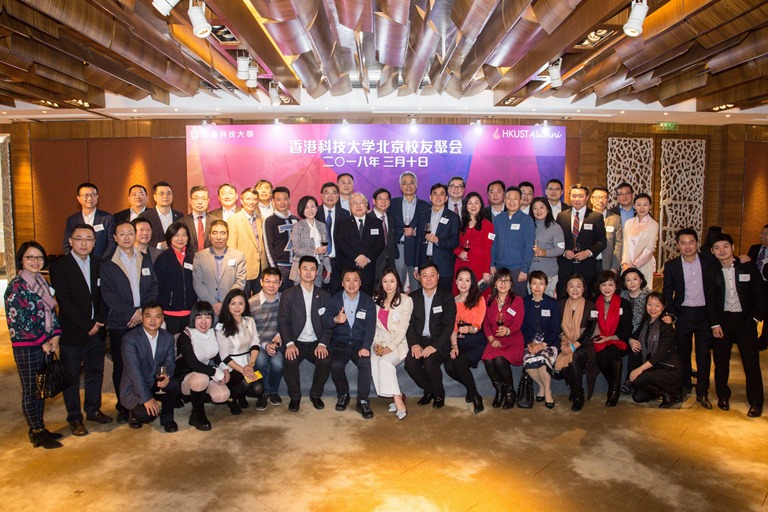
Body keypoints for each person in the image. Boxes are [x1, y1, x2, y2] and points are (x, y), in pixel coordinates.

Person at [49, 224, 111, 437]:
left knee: (95, 373)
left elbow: (106, 295)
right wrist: (87, 325)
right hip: (73, 332)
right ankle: (75, 418)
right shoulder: (60, 266)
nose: (84, 243)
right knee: (72, 377)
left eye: (88, 239)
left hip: (98, 330)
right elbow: (64, 301)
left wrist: (99, 321)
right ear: (71, 241)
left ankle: (93, 410)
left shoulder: (100, 263)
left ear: (94, 242)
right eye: (79, 238)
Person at [5, 241, 64, 449]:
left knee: (41, 387)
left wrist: (55, 335)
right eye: (30, 257)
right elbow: (21, 320)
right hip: (28, 346)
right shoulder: (16, 286)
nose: (35, 261)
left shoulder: (41, 281)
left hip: (46, 342)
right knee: (31, 389)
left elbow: (52, 311)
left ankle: (39, 427)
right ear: (21, 260)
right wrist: (43, 342)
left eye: (39, 257)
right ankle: (37, 431)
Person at [100, 220, 158, 423]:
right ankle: (124, 406)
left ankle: (143, 401)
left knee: (144, 361)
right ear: (115, 238)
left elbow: (153, 286)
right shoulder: (108, 263)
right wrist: (130, 314)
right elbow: (108, 294)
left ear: (135, 236)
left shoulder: (144, 258)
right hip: (120, 322)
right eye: (122, 234)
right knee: (122, 364)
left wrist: (142, 312)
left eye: (130, 233)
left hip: (144, 321)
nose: (126, 237)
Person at [704, 233, 765, 418]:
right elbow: (710, 300)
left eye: (725, 246)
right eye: (717, 248)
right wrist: (714, 324)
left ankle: (756, 402)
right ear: (712, 251)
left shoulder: (747, 265)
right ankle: (723, 396)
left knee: (751, 363)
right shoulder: (711, 270)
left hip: (745, 322)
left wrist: (756, 319)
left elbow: (760, 294)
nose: (721, 251)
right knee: (721, 362)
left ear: (732, 247)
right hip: (722, 322)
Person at [663, 228, 714, 407]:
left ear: (697, 243)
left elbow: (727, 262)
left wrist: (743, 259)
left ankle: (702, 392)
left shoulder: (709, 261)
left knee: (703, 355)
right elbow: (667, 291)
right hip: (683, 314)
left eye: (691, 242)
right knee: (683, 353)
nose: (687, 247)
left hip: (705, 314)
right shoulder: (672, 265)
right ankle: (684, 386)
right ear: (677, 245)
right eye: (683, 243)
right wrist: (672, 313)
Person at [278, 256, 332, 412]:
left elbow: (329, 325)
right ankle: (295, 397)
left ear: (317, 273)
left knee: (325, 360)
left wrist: (322, 343)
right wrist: (289, 343)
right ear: (299, 271)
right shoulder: (288, 294)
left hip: (316, 341)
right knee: (290, 361)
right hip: (296, 341)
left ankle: (316, 394)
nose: (308, 272)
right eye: (305, 269)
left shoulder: (324, 295)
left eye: (312, 269)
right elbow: (283, 321)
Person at [323, 268, 377, 419]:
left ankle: (363, 400)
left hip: (359, 343)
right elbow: (325, 321)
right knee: (335, 364)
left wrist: (366, 346)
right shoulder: (335, 300)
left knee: (365, 363)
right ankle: (343, 394)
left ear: (360, 283)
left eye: (355, 280)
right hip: (340, 342)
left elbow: (371, 327)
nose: (351, 284)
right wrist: (335, 319)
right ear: (342, 283)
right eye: (347, 280)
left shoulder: (368, 301)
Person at [120, 303, 180, 432]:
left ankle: (167, 418)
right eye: (148, 316)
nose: (153, 320)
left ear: (162, 319)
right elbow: (134, 372)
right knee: (147, 415)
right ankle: (134, 412)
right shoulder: (130, 339)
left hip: (155, 382)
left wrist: (167, 375)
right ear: (141, 318)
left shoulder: (168, 338)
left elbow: (170, 363)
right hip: (135, 386)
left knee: (173, 384)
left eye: (157, 316)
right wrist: (146, 399)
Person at [405, 262, 457, 408]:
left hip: (439, 341)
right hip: (418, 340)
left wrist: (435, 346)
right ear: (418, 278)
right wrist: (414, 344)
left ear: (438, 276)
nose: (428, 279)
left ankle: (439, 394)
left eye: (432, 275)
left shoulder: (447, 297)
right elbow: (408, 324)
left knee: (430, 363)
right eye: (424, 276)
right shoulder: (412, 298)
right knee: (410, 364)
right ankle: (429, 390)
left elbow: (448, 326)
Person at [175, 301, 230, 430]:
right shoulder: (185, 336)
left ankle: (197, 398)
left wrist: (225, 369)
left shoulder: (211, 332)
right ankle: (197, 415)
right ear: (193, 318)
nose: (204, 322)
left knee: (222, 395)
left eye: (208, 317)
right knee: (201, 378)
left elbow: (215, 355)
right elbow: (194, 364)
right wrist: (216, 372)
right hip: (184, 376)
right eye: (199, 317)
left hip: (203, 372)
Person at [371, 268, 413, 420]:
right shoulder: (376, 299)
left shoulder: (406, 300)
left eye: (392, 281)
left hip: (398, 344)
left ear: (397, 282)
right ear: (381, 283)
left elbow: (403, 328)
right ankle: (397, 394)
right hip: (380, 343)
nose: (388, 285)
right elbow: (374, 326)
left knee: (385, 363)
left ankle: (397, 400)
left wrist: (390, 347)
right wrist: (376, 344)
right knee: (373, 360)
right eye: (385, 281)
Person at [629, 293, 683, 407]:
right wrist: (631, 340)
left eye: (657, 305)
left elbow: (659, 355)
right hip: (654, 367)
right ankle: (664, 391)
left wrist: (639, 369)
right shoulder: (646, 322)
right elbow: (634, 335)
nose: (652, 308)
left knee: (637, 378)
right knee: (638, 397)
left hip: (668, 368)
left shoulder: (666, 326)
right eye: (649, 304)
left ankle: (669, 393)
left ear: (663, 307)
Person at [445, 268, 487, 413]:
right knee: (449, 366)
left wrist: (469, 329)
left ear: (472, 283)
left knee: (460, 361)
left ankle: (475, 396)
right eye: (460, 280)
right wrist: (454, 346)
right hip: (459, 341)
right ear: (456, 282)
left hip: (475, 340)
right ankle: (470, 388)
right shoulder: (452, 302)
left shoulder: (478, 299)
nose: (463, 283)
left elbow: (477, 325)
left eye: (467, 280)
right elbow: (452, 328)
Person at [216, 289, 264, 414]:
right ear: (227, 305)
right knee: (245, 382)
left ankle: (241, 394)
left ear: (245, 305)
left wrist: (251, 365)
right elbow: (224, 356)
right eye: (233, 303)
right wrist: (243, 370)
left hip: (247, 363)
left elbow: (255, 343)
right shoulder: (221, 327)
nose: (237, 307)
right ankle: (232, 398)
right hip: (231, 366)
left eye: (241, 303)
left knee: (258, 388)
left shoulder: (249, 321)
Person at [482, 268, 525, 409]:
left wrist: (507, 331)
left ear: (511, 284)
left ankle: (510, 392)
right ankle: (499, 390)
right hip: (495, 339)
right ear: (495, 283)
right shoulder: (488, 300)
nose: (503, 284)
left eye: (507, 281)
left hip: (513, 340)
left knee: (499, 360)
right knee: (488, 360)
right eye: (500, 280)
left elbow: (518, 324)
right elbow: (486, 324)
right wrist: (491, 339)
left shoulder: (517, 301)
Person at [591, 271, 633, 407]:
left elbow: (627, 329)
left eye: (610, 284)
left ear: (616, 286)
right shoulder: (593, 303)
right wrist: (600, 337)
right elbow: (590, 325)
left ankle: (614, 391)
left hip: (618, 339)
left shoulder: (624, 304)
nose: (607, 288)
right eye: (604, 285)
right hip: (599, 339)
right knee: (602, 356)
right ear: (599, 286)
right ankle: (613, 385)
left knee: (613, 351)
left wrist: (609, 338)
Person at [556, 184, 606, 297]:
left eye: (580, 196)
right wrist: (564, 252)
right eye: (574, 196)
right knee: (563, 299)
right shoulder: (561, 216)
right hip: (566, 267)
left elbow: (602, 242)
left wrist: (588, 252)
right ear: (569, 197)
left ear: (587, 197)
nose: (577, 199)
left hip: (586, 267)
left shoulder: (596, 217)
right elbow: (557, 240)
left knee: (587, 299)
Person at [557, 274, 597, 411]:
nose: (575, 289)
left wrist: (573, 347)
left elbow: (589, 332)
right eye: (571, 286)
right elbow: (556, 327)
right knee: (559, 357)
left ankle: (578, 394)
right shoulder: (560, 304)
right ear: (566, 289)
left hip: (584, 344)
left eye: (578, 286)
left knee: (572, 357)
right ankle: (575, 388)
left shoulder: (591, 306)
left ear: (583, 289)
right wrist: (564, 340)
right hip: (564, 341)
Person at [193, 220, 247, 318]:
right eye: (215, 233)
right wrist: (213, 304)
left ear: (228, 236)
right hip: (206, 309)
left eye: (222, 233)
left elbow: (240, 282)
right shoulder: (199, 256)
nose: (218, 237)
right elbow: (198, 283)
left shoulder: (238, 256)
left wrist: (224, 302)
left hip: (230, 308)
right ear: (209, 236)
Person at [522, 271, 560, 408]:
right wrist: (530, 343)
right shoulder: (524, 303)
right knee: (529, 365)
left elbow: (555, 329)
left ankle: (547, 391)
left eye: (541, 284)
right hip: (531, 342)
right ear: (529, 285)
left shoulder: (552, 303)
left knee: (542, 361)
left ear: (546, 286)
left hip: (549, 342)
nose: (537, 287)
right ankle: (542, 386)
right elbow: (523, 327)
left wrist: (543, 345)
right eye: (534, 283)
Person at [336, 192, 385, 295]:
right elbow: (340, 243)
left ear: (366, 205)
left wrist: (367, 259)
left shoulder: (376, 222)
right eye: (355, 203)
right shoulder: (342, 223)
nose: (358, 206)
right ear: (350, 206)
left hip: (368, 268)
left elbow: (379, 244)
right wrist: (356, 257)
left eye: (361, 202)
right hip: (349, 267)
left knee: (367, 297)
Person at [249, 267, 284, 409]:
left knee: (278, 364)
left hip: (279, 342)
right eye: (268, 281)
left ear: (280, 283)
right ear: (261, 282)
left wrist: (278, 338)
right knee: (260, 361)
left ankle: (274, 391)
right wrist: (264, 345)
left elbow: (289, 323)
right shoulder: (251, 303)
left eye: (275, 282)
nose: (271, 285)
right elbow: (250, 332)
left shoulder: (285, 300)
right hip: (259, 343)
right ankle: (263, 393)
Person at [415, 183, 460, 293]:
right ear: (430, 197)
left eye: (441, 194)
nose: (438, 197)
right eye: (435, 194)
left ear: (446, 198)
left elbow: (455, 242)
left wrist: (438, 240)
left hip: (443, 265)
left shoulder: (453, 217)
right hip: (424, 262)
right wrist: (416, 266)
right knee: (425, 295)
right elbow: (418, 242)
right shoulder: (423, 215)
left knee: (443, 296)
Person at [491, 186, 534, 297]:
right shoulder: (498, 218)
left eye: (515, 198)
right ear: (504, 200)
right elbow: (493, 243)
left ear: (521, 201)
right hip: (499, 267)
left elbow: (529, 247)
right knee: (499, 298)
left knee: (517, 300)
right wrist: (492, 264)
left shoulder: (527, 220)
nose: (511, 201)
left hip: (517, 269)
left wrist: (524, 269)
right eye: (509, 198)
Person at [154, 222, 197, 334]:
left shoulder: (192, 258)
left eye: (184, 235)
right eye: (176, 235)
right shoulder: (162, 258)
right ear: (170, 237)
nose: (180, 239)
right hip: (169, 312)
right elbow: (157, 286)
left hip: (190, 312)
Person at [390, 172, 430, 292]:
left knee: (416, 286)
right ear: (400, 186)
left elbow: (429, 229)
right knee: (396, 284)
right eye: (405, 183)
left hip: (416, 249)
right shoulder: (392, 204)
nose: (408, 186)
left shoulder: (425, 206)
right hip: (398, 249)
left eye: (411, 183)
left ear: (416, 185)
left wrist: (415, 233)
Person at [228, 187, 268, 296]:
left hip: (261, 269)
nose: (251, 202)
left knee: (259, 301)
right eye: (248, 199)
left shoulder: (262, 219)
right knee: (243, 300)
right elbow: (231, 247)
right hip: (243, 269)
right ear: (241, 201)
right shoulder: (233, 220)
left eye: (254, 199)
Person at [453, 192, 494, 294]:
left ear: (481, 205)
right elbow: (454, 243)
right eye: (470, 203)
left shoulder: (487, 224)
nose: (473, 206)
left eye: (476, 203)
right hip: (462, 263)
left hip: (479, 265)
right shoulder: (461, 223)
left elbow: (488, 249)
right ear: (465, 205)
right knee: (461, 294)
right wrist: (459, 252)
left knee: (476, 295)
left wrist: (486, 270)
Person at [619, 267, 651, 394]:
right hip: (624, 332)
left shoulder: (649, 296)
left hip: (643, 332)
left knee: (637, 348)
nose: (632, 283)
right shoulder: (621, 296)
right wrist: (629, 338)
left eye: (635, 279)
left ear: (641, 280)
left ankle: (629, 380)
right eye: (628, 280)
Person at [63, 182, 116, 258]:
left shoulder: (107, 218)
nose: (90, 198)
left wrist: (102, 261)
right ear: (78, 198)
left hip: (101, 261)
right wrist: (74, 261)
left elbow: (112, 244)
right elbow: (67, 244)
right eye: (86, 195)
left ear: (97, 197)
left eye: (93, 195)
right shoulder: (72, 220)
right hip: (77, 263)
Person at [289, 195, 331, 287]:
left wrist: (328, 268)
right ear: (302, 209)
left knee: (316, 295)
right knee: (300, 295)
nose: (310, 210)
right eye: (306, 207)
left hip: (317, 270)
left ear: (316, 208)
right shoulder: (298, 226)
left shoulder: (322, 226)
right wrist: (315, 251)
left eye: (312, 206)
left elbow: (325, 250)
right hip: (301, 270)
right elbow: (296, 249)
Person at [264, 186, 299, 290]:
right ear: (273, 201)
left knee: (296, 295)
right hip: (281, 267)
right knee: (282, 296)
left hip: (296, 266)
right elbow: (268, 247)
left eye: (285, 199)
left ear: (289, 200)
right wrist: (274, 270)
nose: (282, 202)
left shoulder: (296, 219)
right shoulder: (269, 221)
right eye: (278, 199)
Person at [319, 181, 352, 294]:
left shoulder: (345, 214)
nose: (330, 196)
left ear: (338, 196)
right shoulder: (315, 213)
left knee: (337, 294)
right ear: (321, 195)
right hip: (320, 261)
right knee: (320, 293)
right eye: (327, 192)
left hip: (338, 261)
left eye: (333, 193)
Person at [621, 193, 659, 288]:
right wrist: (625, 264)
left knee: (643, 292)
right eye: (639, 205)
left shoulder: (653, 224)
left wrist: (634, 267)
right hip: (627, 266)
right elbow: (625, 245)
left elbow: (649, 249)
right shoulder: (628, 223)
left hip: (643, 265)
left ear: (650, 206)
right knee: (626, 292)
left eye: (645, 205)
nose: (642, 208)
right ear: (634, 206)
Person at [529, 197, 564, 297]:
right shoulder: (528, 225)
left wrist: (545, 253)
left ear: (547, 209)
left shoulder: (555, 227)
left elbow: (560, 249)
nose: (538, 211)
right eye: (535, 208)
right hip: (531, 273)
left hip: (549, 274)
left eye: (541, 207)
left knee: (548, 302)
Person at [140, 181, 183, 249]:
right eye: (161, 194)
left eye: (168, 193)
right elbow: (140, 240)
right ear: (154, 197)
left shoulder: (180, 216)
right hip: (153, 254)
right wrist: (159, 246)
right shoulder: (145, 217)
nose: (165, 196)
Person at [590, 186, 623, 274]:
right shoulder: (585, 217)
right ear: (591, 199)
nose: (600, 200)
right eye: (597, 197)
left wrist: (614, 267)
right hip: (588, 264)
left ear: (608, 200)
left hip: (607, 265)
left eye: (604, 197)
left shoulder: (615, 219)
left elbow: (618, 245)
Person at [181, 185, 221, 252]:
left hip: (211, 258)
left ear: (208, 201)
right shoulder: (182, 223)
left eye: (203, 199)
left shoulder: (216, 222)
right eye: (196, 198)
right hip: (189, 258)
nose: (200, 202)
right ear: (190, 200)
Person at [747, 224, 768, 350]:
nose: (762, 236)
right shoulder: (754, 248)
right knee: (751, 314)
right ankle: (747, 338)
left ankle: (763, 341)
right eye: (762, 233)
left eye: (766, 234)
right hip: (754, 287)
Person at [371, 188, 397, 285]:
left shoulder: (391, 218)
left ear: (389, 202)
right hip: (374, 264)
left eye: (386, 199)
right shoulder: (368, 218)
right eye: (380, 199)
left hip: (390, 262)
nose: (383, 202)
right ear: (374, 201)